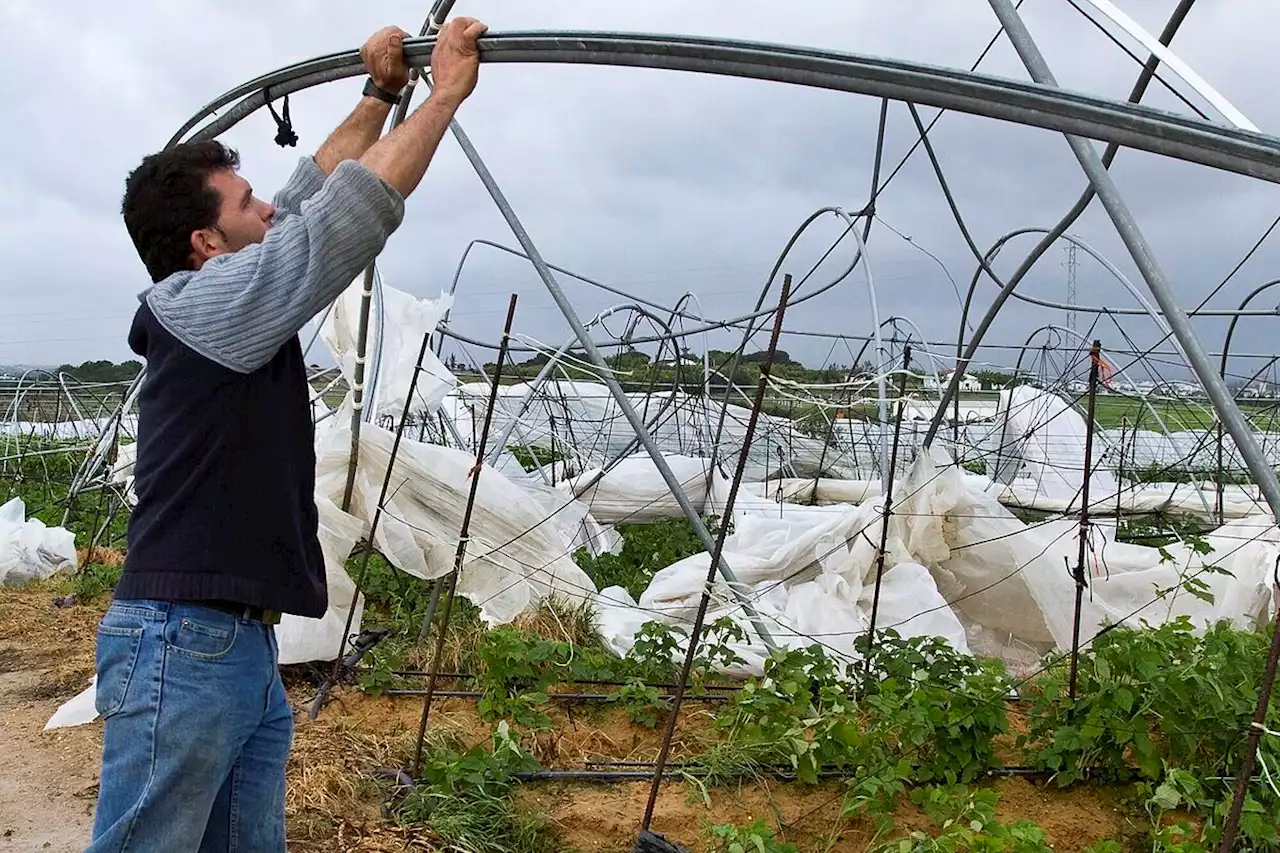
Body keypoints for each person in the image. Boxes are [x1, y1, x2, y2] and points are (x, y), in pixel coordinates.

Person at [87, 17, 488, 852]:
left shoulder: (222, 292)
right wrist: (442, 97)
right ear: (205, 243)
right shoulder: (208, 305)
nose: (266, 203)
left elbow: (308, 195)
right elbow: (338, 220)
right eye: (243, 202)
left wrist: (380, 94)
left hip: (227, 643)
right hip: (183, 641)